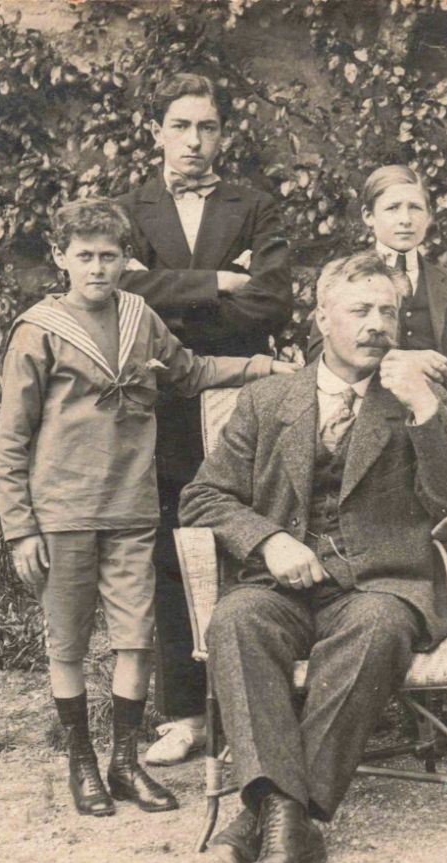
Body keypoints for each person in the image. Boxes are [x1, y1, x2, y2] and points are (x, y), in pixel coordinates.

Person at [179, 251, 447, 863]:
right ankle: (293, 827)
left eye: (389, 312)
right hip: (283, 583)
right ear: (322, 317)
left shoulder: (411, 399)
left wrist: (427, 412)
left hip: (380, 584)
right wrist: (267, 542)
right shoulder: (268, 401)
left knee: (376, 627)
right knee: (236, 619)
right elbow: (204, 497)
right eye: (361, 310)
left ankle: (266, 820)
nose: (378, 324)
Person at [0, 198, 287, 817]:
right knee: (67, 640)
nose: (97, 269)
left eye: (109, 256)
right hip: (63, 511)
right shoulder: (39, 329)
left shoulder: (139, 315)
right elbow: (12, 437)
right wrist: (21, 529)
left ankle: (124, 764)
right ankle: (83, 764)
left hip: (132, 507)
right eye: (84, 257)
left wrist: (259, 366)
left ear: (126, 259)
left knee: (135, 637)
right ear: (60, 259)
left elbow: (190, 370)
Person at [116, 72, 295, 768]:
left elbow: (272, 304)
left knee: (253, 531)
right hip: (160, 396)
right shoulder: (128, 211)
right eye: (181, 126)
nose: (194, 141)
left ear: (222, 134)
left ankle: (260, 704)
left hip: (247, 392)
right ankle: (186, 713)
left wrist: (171, 294)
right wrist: (221, 281)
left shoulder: (253, 205)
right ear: (156, 133)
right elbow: (123, 295)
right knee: (172, 541)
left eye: (207, 127)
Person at [307, 164, 447, 462]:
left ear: (429, 216)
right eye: (393, 208)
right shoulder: (344, 276)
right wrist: (401, 360)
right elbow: (317, 353)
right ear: (368, 216)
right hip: (371, 426)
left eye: (415, 208)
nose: (406, 220)